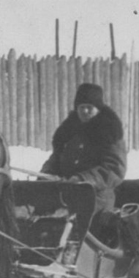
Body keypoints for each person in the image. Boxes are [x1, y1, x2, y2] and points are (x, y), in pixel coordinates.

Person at [41, 83, 127, 242]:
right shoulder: (69, 131)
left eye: (90, 107)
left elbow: (115, 169)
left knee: (72, 229)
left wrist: (82, 179)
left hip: (97, 198)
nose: (85, 111)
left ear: (98, 109)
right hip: (66, 195)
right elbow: (56, 158)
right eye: (81, 107)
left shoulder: (109, 132)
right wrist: (47, 174)